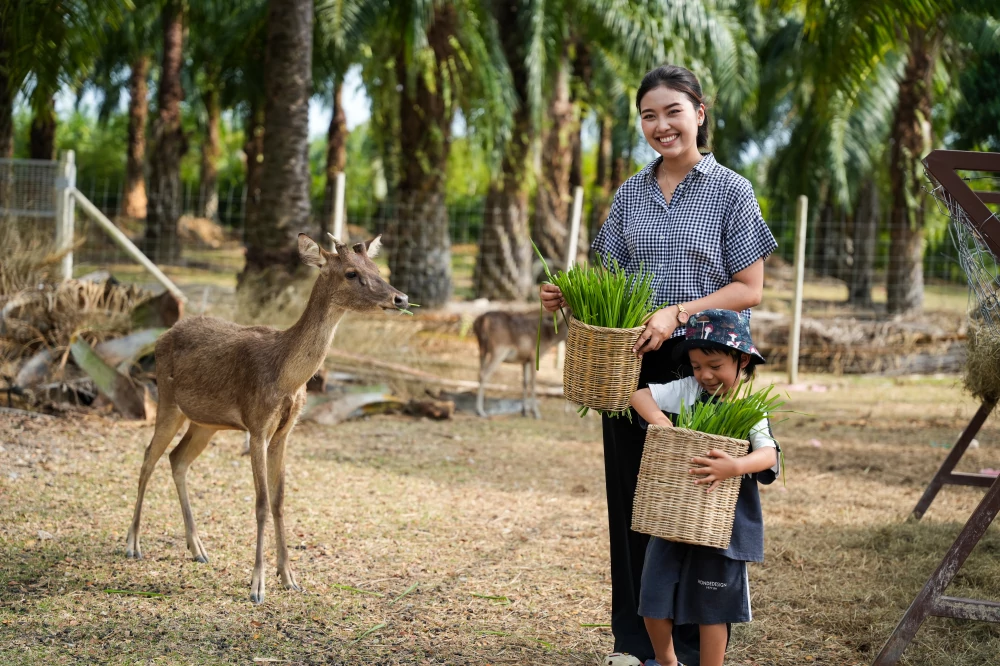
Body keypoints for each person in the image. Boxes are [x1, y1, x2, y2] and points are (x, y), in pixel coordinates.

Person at [540, 64, 777, 666]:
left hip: (703, 363)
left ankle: (695, 649)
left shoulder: (732, 191)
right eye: (649, 115)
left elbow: (749, 288)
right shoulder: (630, 193)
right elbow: (610, 279)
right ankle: (635, 644)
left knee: (695, 506)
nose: (661, 125)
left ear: (699, 113)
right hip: (634, 365)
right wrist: (569, 295)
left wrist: (677, 311)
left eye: (673, 111)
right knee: (632, 501)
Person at [630, 309, 779, 666]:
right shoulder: (689, 389)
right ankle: (667, 662)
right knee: (653, 594)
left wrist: (735, 466)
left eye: (715, 365)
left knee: (713, 607)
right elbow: (640, 396)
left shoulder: (751, 408)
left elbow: (769, 455)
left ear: (742, 360)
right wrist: (661, 422)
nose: (705, 375)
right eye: (697, 366)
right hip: (675, 515)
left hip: (721, 524)